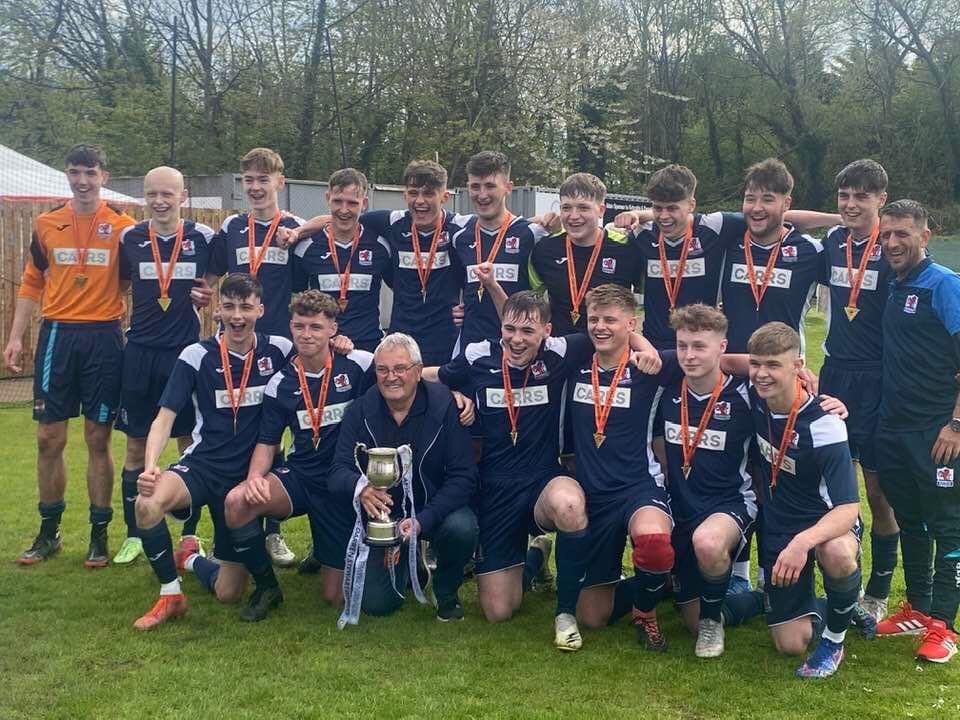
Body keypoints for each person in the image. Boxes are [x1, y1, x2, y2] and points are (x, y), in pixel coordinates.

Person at [423, 285, 662, 649]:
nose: (516, 340)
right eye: (510, 330)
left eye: (528, 331)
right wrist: (452, 394)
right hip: (496, 488)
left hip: (542, 481)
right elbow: (431, 377)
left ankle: (564, 613)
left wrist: (648, 350)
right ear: (500, 326)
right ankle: (536, 557)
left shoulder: (562, 352)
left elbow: (619, 333)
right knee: (498, 611)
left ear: (547, 331)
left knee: (569, 504)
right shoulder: (477, 356)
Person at [131, 274, 293, 630]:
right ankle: (171, 594)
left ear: (260, 310)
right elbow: (165, 416)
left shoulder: (280, 349)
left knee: (228, 593)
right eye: (230, 306)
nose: (238, 316)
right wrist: (151, 467)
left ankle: (190, 559)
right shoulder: (196, 354)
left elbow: (320, 359)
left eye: (246, 307)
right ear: (217, 310)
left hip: (250, 476)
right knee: (147, 503)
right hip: (204, 465)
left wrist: (341, 343)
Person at [4, 143, 135, 567]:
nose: (82, 181)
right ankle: (49, 532)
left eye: (90, 173)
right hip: (58, 335)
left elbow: (143, 279)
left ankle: (99, 533)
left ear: (104, 177)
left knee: (97, 438)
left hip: (103, 337)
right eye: (75, 172)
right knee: (48, 438)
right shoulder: (46, 224)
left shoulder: (123, 227)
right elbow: (30, 283)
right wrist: (16, 337)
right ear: (67, 174)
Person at [222, 290, 374, 621]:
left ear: (333, 328)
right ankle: (267, 587)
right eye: (300, 326)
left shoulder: (359, 365)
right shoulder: (281, 382)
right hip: (301, 477)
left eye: (316, 327)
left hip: (342, 482)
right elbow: (267, 441)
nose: (307, 335)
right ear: (291, 327)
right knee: (238, 503)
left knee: (335, 597)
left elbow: (402, 380)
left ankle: (325, 550)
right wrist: (254, 479)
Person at [330, 333, 478, 620]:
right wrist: (361, 488)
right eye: (382, 370)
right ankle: (410, 569)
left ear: (418, 371)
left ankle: (446, 591)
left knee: (463, 527)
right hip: (383, 519)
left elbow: (464, 476)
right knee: (378, 605)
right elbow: (337, 471)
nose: (390, 377)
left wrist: (425, 520)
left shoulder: (445, 405)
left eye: (400, 369)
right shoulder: (359, 410)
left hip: (431, 510)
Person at [111, 166, 217, 565]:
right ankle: (135, 533)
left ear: (183, 196)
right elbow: (121, 285)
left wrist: (206, 293)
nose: (159, 201)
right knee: (136, 444)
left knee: (189, 444)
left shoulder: (204, 238)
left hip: (185, 356)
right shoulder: (131, 238)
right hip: (139, 352)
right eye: (152, 193)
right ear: (144, 196)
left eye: (167, 194)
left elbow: (210, 284)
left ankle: (190, 536)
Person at [205, 147, 304, 566]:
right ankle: (228, 530)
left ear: (281, 182)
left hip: (280, 350)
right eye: (249, 180)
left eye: (264, 179)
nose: (256, 187)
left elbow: (311, 289)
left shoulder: (296, 229)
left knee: (277, 434)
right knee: (234, 434)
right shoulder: (230, 227)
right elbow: (209, 280)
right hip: (236, 346)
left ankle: (273, 531)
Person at [748, 322, 862, 678]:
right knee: (790, 644)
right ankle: (839, 604)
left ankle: (834, 640)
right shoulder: (753, 396)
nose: (761, 374)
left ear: (798, 366)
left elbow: (848, 508)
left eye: (773, 365)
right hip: (781, 524)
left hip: (827, 523)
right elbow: (721, 360)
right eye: (756, 364)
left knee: (837, 554)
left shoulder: (826, 424)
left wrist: (804, 541)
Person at [873, 200, 960, 663]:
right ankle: (920, 607)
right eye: (886, 234)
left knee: (948, 525)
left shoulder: (945, 286)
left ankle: (944, 624)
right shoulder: (893, 284)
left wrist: (956, 424)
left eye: (902, 234)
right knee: (912, 520)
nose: (892, 242)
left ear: (925, 235)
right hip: (894, 429)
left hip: (938, 432)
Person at [816, 160, 899, 622]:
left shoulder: (892, 246)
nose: (850, 204)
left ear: (880, 200)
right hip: (834, 373)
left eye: (860, 197)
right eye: (843, 196)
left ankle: (880, 590)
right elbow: (792, 218)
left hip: (878, 377)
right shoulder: (832, 241)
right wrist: (835, 218)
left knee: (878, 488)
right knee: (835, 483)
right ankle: (847, 567)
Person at [289, 161, 472, 366]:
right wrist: (297, 231)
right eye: (413, 193)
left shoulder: (461, 228)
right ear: (405, 196)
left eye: (429, 193)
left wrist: (471, 308)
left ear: (445, 197)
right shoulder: (390, 224)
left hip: (444, 339)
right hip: (399, 340)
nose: (420, 201)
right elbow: (338, 218)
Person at [661, 304, 757, 657]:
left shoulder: (747, 395)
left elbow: (792, 402)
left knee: (708, 542)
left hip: (728, 505)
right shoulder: (665, 389)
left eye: (700, 346)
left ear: (722, 347)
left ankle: (714, 624)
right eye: (682, 345)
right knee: (687, 618)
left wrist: (827, 399)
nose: (689, 355)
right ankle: (753, 601)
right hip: (679, 508)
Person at [451, 151, 548, 350]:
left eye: (490, 186)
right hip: (471, 350)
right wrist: (456, 310)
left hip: (518, 350)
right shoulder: (459, 237)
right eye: (475, 187)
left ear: (508, 188)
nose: (482, 195)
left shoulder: (532, 234)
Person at [529, 173, 644, 337]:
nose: (574, 216)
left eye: (583, 207)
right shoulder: (545, 249)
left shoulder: (627, 249)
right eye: (566, 208)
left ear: (601, 210)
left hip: (609, 353)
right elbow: (529, 300)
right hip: (560, 351)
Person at [291, 168, 392, 353]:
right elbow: (295, 300)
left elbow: (404, 290)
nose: (344, 210)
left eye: (352, 203)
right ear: (328, 197)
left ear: (365, 203)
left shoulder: (381, 247)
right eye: (337, 201)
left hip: (368, 348)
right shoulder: (305, 248)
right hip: (322, 349)